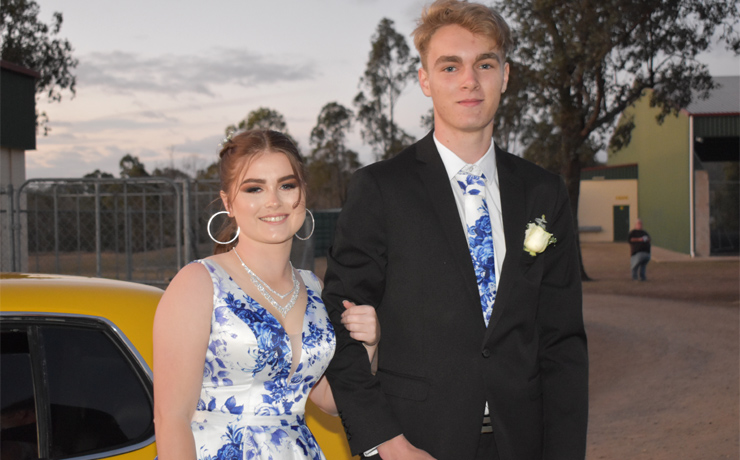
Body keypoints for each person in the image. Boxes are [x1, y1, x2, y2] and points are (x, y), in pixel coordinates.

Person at [322, 1, 589, 459]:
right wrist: (386, 442)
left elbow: (562, 340)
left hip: (521, 442)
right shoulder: (380, 189)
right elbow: (340, 323)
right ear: (425, 80)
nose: (470, 80)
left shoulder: (544, 192)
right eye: (450, 66)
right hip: (415, 443)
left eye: (485, 64)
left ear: (505, 75)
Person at [152, 130, 379, 460]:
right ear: (228, 202)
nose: (274, 201)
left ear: (303, 193)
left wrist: (369, 344)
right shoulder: (199, 283)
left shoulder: (315, 288)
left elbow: (329, 401)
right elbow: (171, 419)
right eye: (254, 188)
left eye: (287, 185)